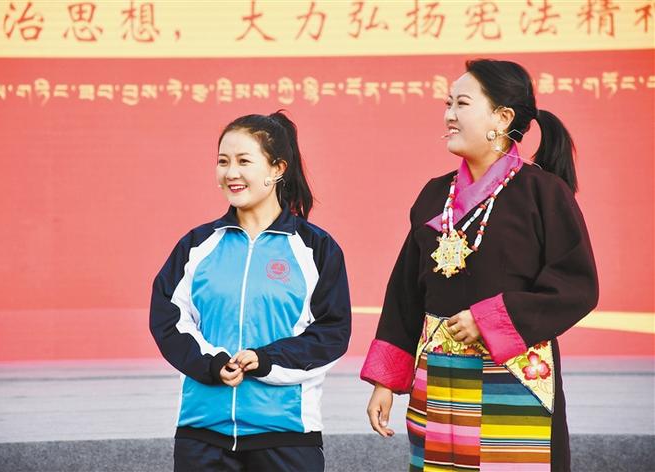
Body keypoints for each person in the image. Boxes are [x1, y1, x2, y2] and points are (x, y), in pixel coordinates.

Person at [361, 59, 598, 472]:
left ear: (502, 118)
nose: (449, 115)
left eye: (462, 104)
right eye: (448, 103)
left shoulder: (543, 192)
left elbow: (575, 287)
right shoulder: (434, 195)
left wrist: (490, 320)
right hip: (439, 381)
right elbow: (404, 295)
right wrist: (386, 380)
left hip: (515, 382)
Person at [150, 111, 351, 472]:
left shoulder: (316, 249)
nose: (231, 173)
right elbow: (169, 319)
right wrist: (212, 363)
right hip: (202, 434)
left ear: (277, 169)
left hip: (286, 435)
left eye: (244, 161)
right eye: (223, 162)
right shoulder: (197, 245)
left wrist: (266, 360)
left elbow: (331, 334)